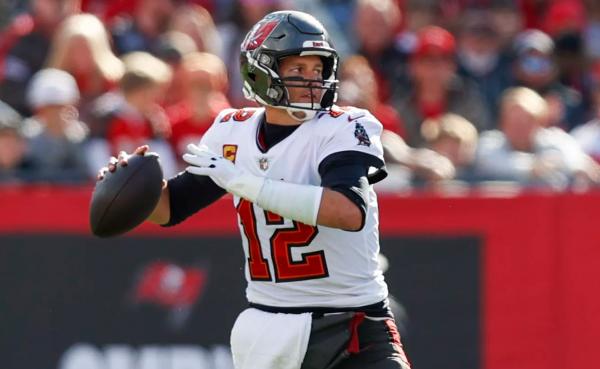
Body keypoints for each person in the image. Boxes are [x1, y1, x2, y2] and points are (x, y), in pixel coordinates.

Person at [98, 11, 411, 369]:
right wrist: (129, 184)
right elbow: (170, 209)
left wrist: (247, 183)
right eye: (297, 70)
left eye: (318, 69)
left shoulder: (344, 126)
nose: (312, 80)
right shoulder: (233, 131)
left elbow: (347, 211)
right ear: (260, 72)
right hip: (269, 326)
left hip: (352, 321)